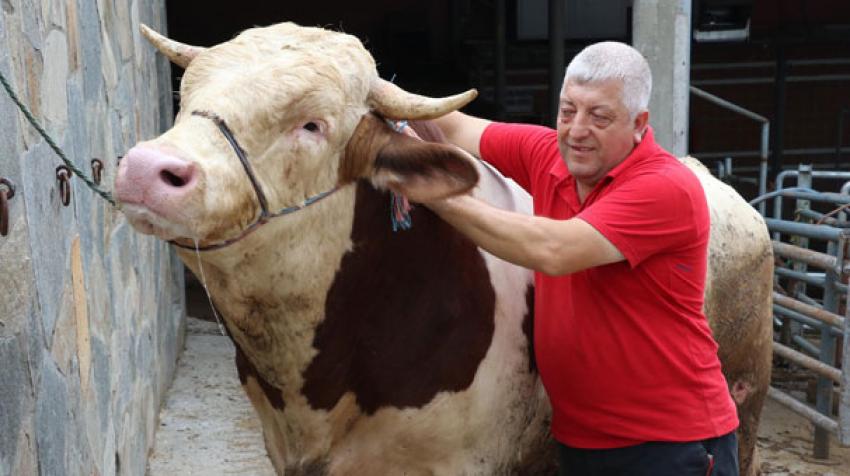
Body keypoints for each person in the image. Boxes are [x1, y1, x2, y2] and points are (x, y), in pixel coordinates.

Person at [397, 42, 740, 476]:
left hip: (669, 444)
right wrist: (368, 91)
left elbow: (553, 250)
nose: (577, 130)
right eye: (567, 111)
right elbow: (458, 129)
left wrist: (433, 191)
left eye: (599, 117)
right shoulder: (548, 155)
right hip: (582, 442)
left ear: (639, 124)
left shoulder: (664, 187)